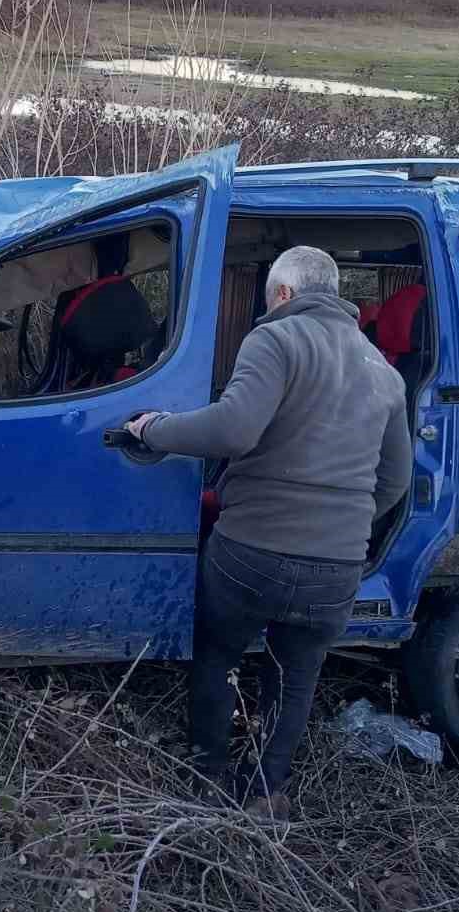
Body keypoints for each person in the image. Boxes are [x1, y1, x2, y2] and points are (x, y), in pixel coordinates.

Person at [128, 246, 412, 817]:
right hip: (337, 567)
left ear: (283, 294)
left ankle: (207, 779)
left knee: (218, 655)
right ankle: (265, 792)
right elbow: (396, 479)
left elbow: (232, 429)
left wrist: (154, 428)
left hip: (254, 550)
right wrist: (345, 522)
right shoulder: (384, 370)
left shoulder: (275, 339)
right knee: (297, 676)